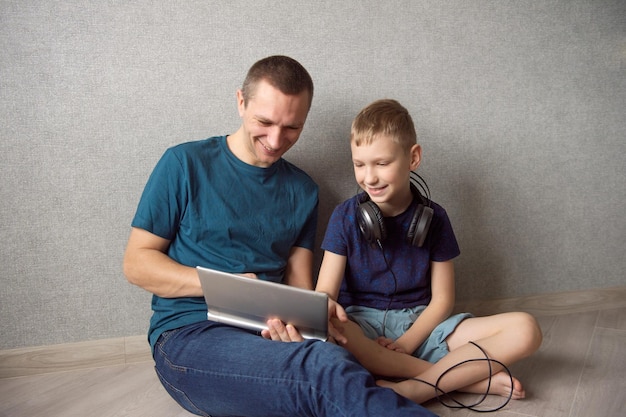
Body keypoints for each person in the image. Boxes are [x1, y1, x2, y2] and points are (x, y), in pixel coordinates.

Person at [123, 57, 437, 417]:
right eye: (264, 122)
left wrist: (308, 316)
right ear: (241, 102)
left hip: (268, 335)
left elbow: (299, 286)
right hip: (189, 337)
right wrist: (226, 285)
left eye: (292, 128)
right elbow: (137, 264)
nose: (275, 140)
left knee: (333, 361)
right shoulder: (183, 164)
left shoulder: (303, 190)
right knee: (322, 372)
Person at [315, 99, 543, 406]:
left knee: (526, 329)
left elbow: (443, 300)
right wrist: (329, 308)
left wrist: (408, 343)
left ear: (413, 158)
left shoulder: (434, 219)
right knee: (331, 330)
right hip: (361, 329)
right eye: (360, 164)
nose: (369, 177)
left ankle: (416, 388)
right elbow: (325, 293)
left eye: (382, 164)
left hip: (421, 326)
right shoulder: (345, 216)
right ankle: (464, 381)